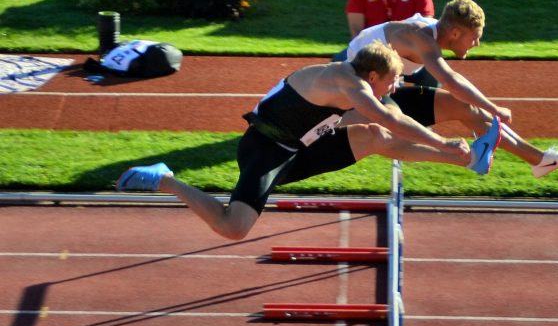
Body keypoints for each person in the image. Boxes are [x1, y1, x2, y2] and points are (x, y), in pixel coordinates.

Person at [114, 41, 500, 240]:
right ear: (371, 75)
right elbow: (387, 114)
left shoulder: (354, 84)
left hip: (299, 147)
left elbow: (391, 117)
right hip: (265, 150)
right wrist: (440, 141)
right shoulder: (344, 83)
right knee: (234, 228)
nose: (397, 86)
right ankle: (166, 179)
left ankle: (467, 162)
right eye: (393, 79)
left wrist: (449, 149)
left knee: (374, 136)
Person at [344, 0, 558, 179]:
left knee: (463, 105)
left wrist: (484, 111)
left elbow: (453, 86)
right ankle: (467, 158)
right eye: (475, 36)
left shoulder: (432, 32)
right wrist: (493, 108)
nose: (478, 43)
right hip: (354, 92)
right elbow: (450, 80)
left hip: (384, 87)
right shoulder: (421, 38)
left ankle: (540, 160)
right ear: (456, 32)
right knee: (393, 123)